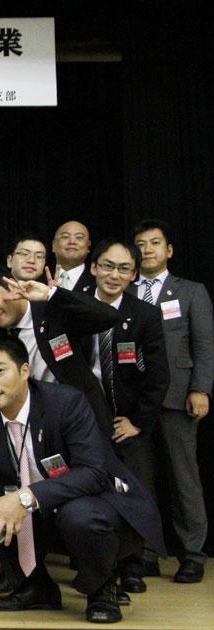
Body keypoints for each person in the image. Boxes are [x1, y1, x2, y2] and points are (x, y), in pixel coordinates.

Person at [0, 335, 164, 623]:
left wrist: (25, 497)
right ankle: (35, 587)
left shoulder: (65, 402)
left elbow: (93, 472)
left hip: (94, 504)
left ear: (24, 371)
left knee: (78, 514)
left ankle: (102, 589)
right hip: (40, 507)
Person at [132, 219, 213, 584]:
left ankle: (192, 555)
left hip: (178, 398)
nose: (147, 250)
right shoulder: (124, 290)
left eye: (154, 243)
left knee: (184, 480)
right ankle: (147, 551)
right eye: (140, 244)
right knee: (140, 479)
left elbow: (204, 345)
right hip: (134, 402)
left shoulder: (191, 291)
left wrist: (201, 389)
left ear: (169, 250)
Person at [88, 238, 169, 592]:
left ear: (134, 274)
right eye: (107, 265)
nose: (114, 274)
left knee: (134, 494)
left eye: (124, 269)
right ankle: (96, 565)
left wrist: (137, 422)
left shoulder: (144, 314)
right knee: (91, 493)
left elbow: (158, 376)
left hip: (126, 420)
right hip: (84, 419)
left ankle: (133, 566)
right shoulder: (76, 308)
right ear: (94, 267)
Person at [0, 264, 120, 436]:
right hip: (29, 423)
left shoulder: (52, 309)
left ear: (11, 286)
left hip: (80, 414)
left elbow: (109, 317)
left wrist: (51, 294)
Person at [51, 221, 94, 293]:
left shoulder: (97, 283)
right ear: (53, 245)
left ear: (88, 246)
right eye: (65, 237)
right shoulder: (39, 279)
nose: (72, 242)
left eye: (79, 237)